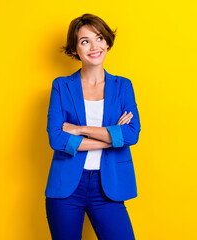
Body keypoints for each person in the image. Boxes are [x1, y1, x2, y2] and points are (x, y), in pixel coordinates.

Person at [45, 13, 141, 240]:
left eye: (99, 38)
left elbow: (131, 134)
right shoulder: (61, 86)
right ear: (75, 49)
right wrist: (111, 137)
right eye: (84, 41)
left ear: (107, 41)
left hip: (108, 187)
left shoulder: (123, 86)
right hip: (66, 189)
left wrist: (79, 129)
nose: (94, 46)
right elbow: (57, 139)